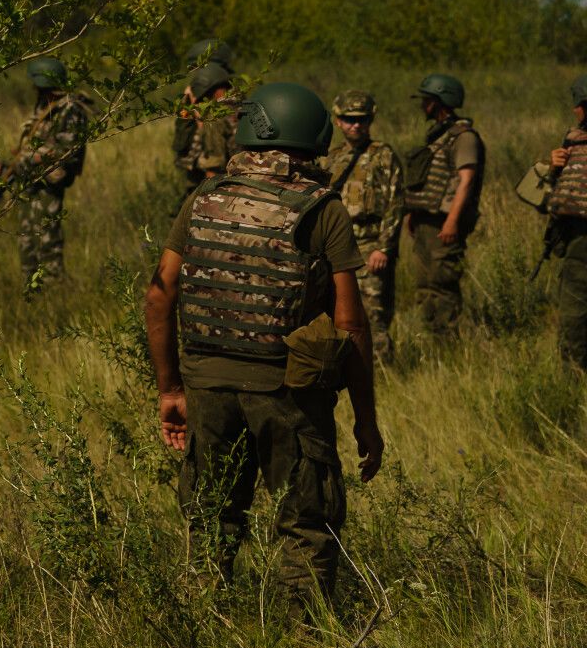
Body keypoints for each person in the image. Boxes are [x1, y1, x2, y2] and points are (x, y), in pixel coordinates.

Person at [144, 81, 382, 606]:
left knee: (210, 517)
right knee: (305, 521)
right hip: (289, 392)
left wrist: (169, 390)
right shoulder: (323, 208)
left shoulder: (204, 198)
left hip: (206, 389)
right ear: (312, 141)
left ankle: (203, 625)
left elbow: (159, 298)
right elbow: (352, 325)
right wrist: (365, 418)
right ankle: (303, 642)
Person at [320, 91, 402, 361]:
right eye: (349, 119)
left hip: (370, 246)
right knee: (337, 316)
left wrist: (384, 248)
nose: (356, 125)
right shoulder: (332, 158)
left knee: (374, 317)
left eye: (362, 119)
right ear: (339, 120)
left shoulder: (382, 155)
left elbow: (395, 204)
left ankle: (383, 378)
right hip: (337, 248)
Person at [401, 73, 484, 340]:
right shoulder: (439, 137)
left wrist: (452, 222)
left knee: (443, 285)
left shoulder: (464, 137)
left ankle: (447, 343)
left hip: (444, 224)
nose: (423, 106)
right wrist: (414, 212)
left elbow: (466, 180)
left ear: (441, 101)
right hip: (427, 221)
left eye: (427, 100)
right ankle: (431, 339)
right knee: (425, 285)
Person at [4, 58, 89, 286]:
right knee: (27, 234)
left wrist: (35, 155)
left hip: (50, 179)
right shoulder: (45, 105)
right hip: (30, 179)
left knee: (47, 233)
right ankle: (30, 282)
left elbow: (69, 149)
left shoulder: (70, 109)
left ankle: (53, 281)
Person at [540, 74, 587, 370]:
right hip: (576, 245)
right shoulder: (571, 141)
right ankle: (574, 387)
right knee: (574, 321)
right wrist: (553, 167)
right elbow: (544, 198)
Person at [175, 62, 237, 199]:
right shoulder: (235, 107)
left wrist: (209, 199)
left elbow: (212, 167)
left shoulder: (214, 119)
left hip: (223, 191)